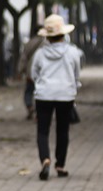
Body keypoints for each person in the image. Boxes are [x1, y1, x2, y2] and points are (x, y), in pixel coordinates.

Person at [31, 14, 82, 181]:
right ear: (63, 34)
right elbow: (76, 74)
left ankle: (45, 159)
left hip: (44, 95)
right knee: (62, 130)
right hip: (65, 95)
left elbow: (34, 74)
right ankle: (60, 165)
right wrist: (73, 87)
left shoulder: (39, 54)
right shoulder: (73, 52)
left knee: (43, 131)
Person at [18, 29, 45, 120]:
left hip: (30, 71)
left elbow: (24, 58)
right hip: (43, 72)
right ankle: (39, 111)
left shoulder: (29, 43)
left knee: (29, 91)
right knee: (40, 92)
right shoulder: (46, 43)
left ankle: (30, 106)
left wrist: (20, 71)